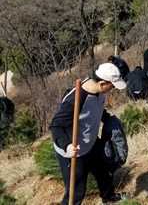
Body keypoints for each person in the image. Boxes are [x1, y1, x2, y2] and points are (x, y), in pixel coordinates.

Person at [50, 62, 127, 205]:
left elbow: (96, 110)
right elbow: (56, 126)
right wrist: (67, 146)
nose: (113, 89)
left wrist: (109, 120)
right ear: (103, 83)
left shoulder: (99, 92)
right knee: (76, 191)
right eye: (112, 86)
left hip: (90, 142)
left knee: (103, 171)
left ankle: (109, 197)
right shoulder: (76, 99)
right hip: (73, 150)